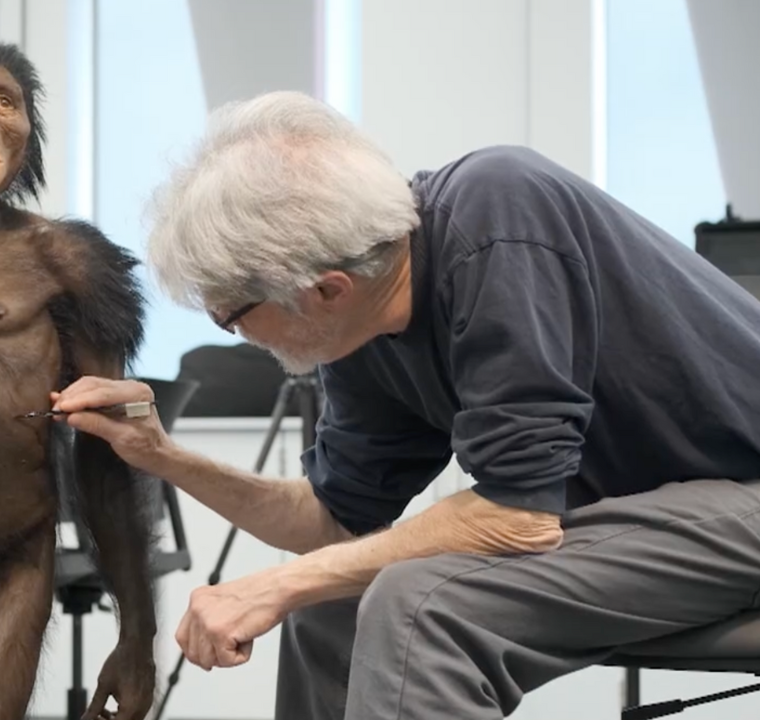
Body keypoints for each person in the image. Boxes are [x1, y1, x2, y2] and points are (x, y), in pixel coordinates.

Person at [48, 90, 760, 719]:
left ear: (324, 289)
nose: (235, 335)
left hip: (743, 502)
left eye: (229, 314)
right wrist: (164, 456)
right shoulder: (363, 326)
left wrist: (274, 585)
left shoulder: (498, 215)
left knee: (417, 604)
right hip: (643, 525)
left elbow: (517, 516)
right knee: (332, 606)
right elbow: (333, 523)